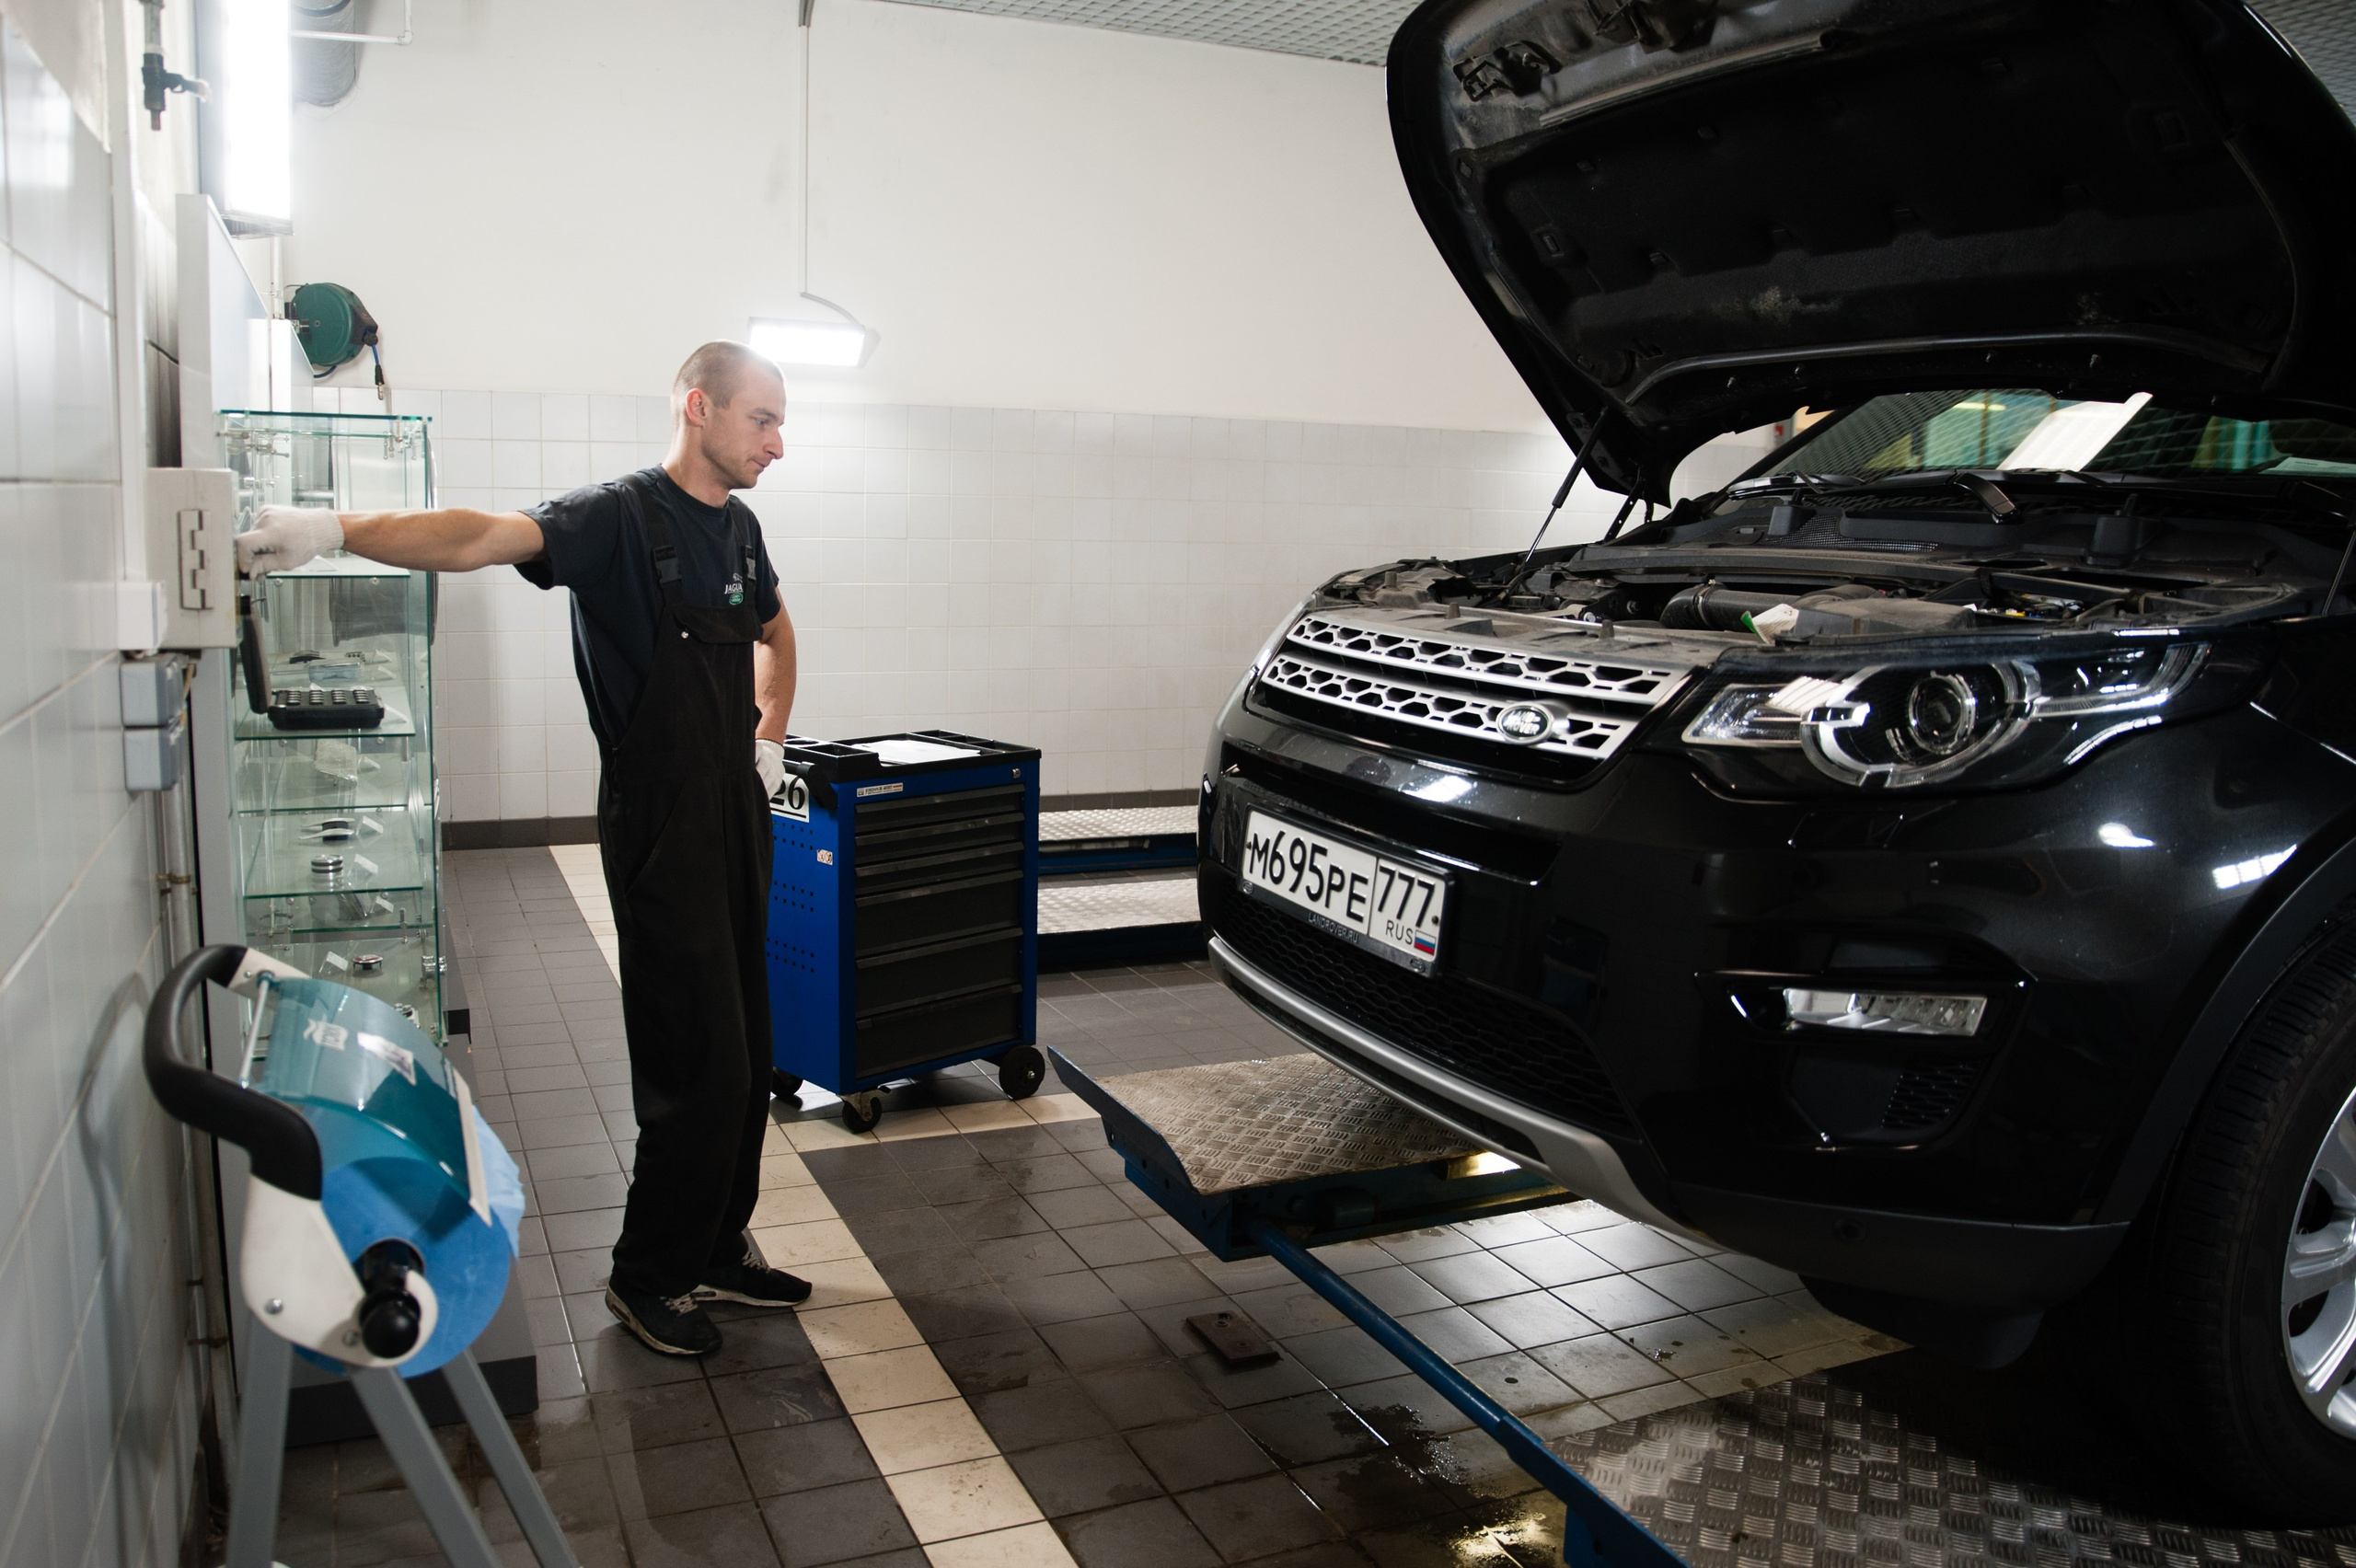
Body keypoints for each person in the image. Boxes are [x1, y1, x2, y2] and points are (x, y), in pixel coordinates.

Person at [236, 341, 809, 1356]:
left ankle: (718, 1246)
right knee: (697, 1055)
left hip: (734, 807)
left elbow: (778, 632)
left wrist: (766, 741)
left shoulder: (742, 531)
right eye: (762, 418)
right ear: (697, 407)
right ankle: (648, 1277)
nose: (778, 439)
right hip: (661, 822)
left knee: (751, 1047)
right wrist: (333, 529)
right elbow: (476, 538)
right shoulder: (618, 519)